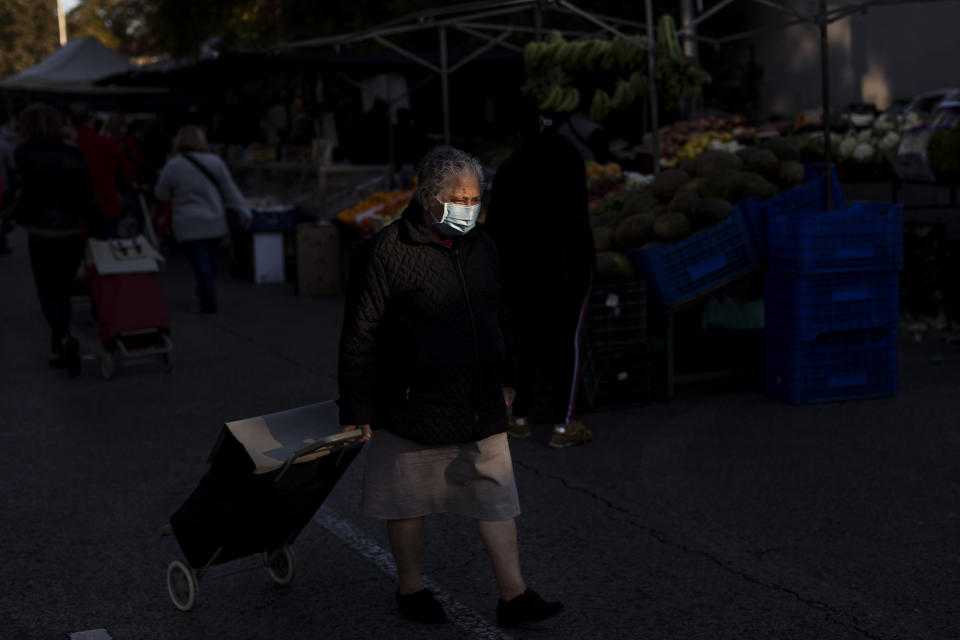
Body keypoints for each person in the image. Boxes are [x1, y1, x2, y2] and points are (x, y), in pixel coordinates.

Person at [338, 145, 563, 628]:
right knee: (407, 500)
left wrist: (509, 377)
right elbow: (360, 334)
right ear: (426, 197)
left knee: (496, 496)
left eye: (474, 197)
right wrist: (357, 407)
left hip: (480, 396)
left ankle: (514, 595)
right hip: (410, 402)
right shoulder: (384, 253)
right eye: (457, 197)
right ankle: (410, 588)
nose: (468, 207)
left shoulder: (484, 245)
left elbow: (501, 315)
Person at [486, 100, 596, 448]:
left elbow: (496, 228)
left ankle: (518, 417)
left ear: (520, 134)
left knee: (524, 341)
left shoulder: (510, 168)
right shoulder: (570, 159)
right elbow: (580, 215)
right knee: (567, 342)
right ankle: (563, 426)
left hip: (521, 271)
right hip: (568, 267)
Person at [14, 103, 105, 375]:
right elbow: (88, 196)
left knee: (47, 292)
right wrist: (99, 230)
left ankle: (63, 338)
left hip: (41, 232)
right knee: (63, 290)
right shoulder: (72, 154)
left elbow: (19, 193)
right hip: (72, 232)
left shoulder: (22, 155)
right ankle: (57, 349)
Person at [154, 125, 251, 313]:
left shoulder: (173, 165)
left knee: (200, 261)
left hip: (187, 223)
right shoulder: (215, 162)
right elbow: (229, 189)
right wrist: (244, 211)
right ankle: (206, 289)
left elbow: (161, 194)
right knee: (208, 259)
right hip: (214, 220)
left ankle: (207, 293)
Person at [68, 103, 136, 238]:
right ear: (92, 121)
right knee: (107, 253)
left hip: (73, 212)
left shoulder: (67, 144)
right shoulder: (108, 144)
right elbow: (129, 175)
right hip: (107, 207)